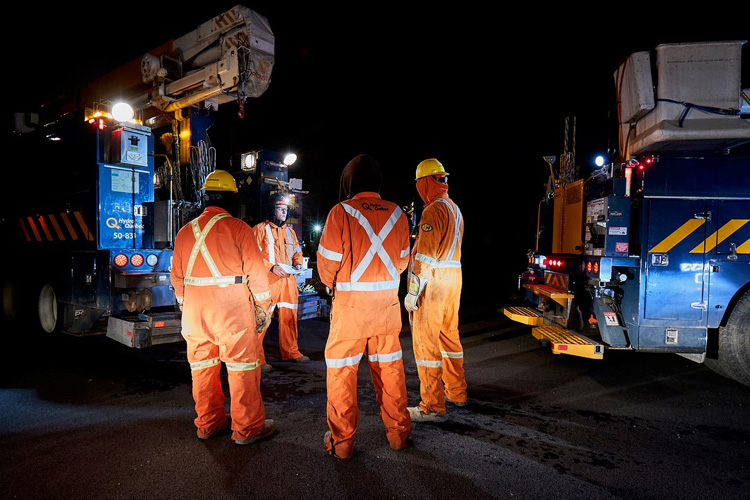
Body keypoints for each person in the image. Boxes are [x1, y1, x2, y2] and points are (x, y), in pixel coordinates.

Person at [171, 169, 277, 445]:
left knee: (203, 368)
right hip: (232, 312)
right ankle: (247, 429)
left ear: (205, 199)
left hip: (195, 314)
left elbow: (177, 280)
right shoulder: (239, 228)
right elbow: (257, 274)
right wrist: (263, 308)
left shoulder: (184, 233)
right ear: (231, 199)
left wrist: (187, 307)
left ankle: (208, 424)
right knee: (242, 368)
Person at [316, 154, 412, 459]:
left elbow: (327, 266)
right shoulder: (398, 213)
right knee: (391, 371)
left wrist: (336, 285)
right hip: (386, 309)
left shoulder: (341, 212)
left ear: (349, 182)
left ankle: (342, 445)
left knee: (342, 374)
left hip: (350, 311)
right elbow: (401, 262)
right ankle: (398, 436)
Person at [404, 158, 467, 422]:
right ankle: (457, 392)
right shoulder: (454, 208)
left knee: (425, 344)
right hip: (454, 280)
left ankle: (432, 406)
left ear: (424, 182)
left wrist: (413, 292)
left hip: (434, 284)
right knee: (450, 338)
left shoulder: (432, 211)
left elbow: (425, 259)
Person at [254, 192, 310, 370]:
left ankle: (291, 351)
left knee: (289, 318)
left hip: (288, 281)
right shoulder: (259, 229)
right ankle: (257, 358)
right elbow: (252, 255)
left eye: (285, 209)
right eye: (280, 209)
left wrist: (299, 264)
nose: (284, 212)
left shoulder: (290, 232)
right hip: (268, 281)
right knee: (262, 319)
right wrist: (271, 267)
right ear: (272, 210)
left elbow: (297, 253)